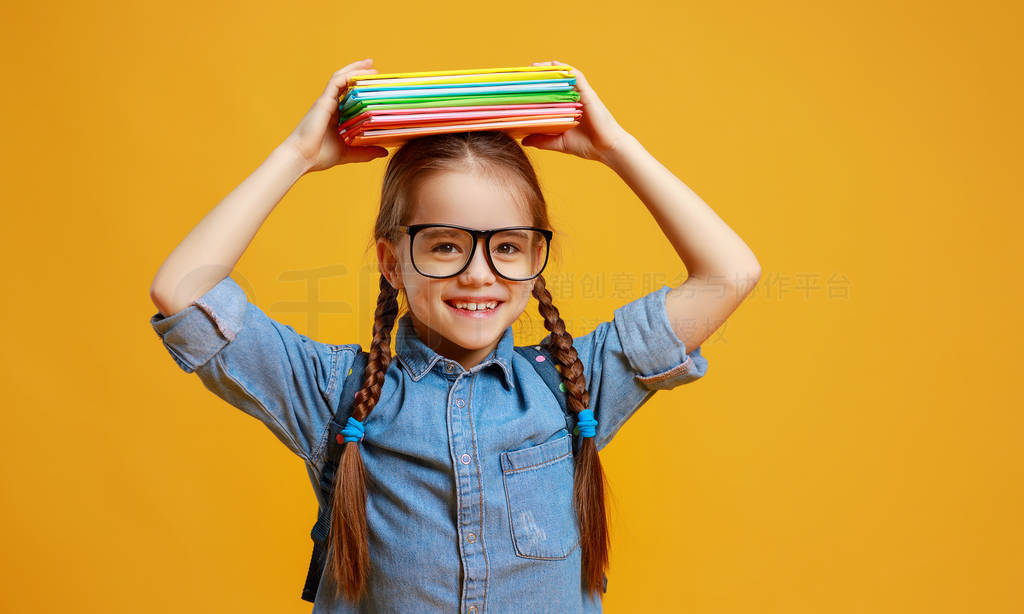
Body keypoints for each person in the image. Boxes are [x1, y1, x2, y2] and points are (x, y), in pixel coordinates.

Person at [148, 58, 761, 614]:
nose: (478, 272)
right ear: (392, 262)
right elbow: (182, 291)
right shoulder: (332, 393)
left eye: (507, 247)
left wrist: (617, 148)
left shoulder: (576, 386)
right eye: (444, 245)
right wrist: (296, 155)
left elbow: (729, 274)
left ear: (535, 257)